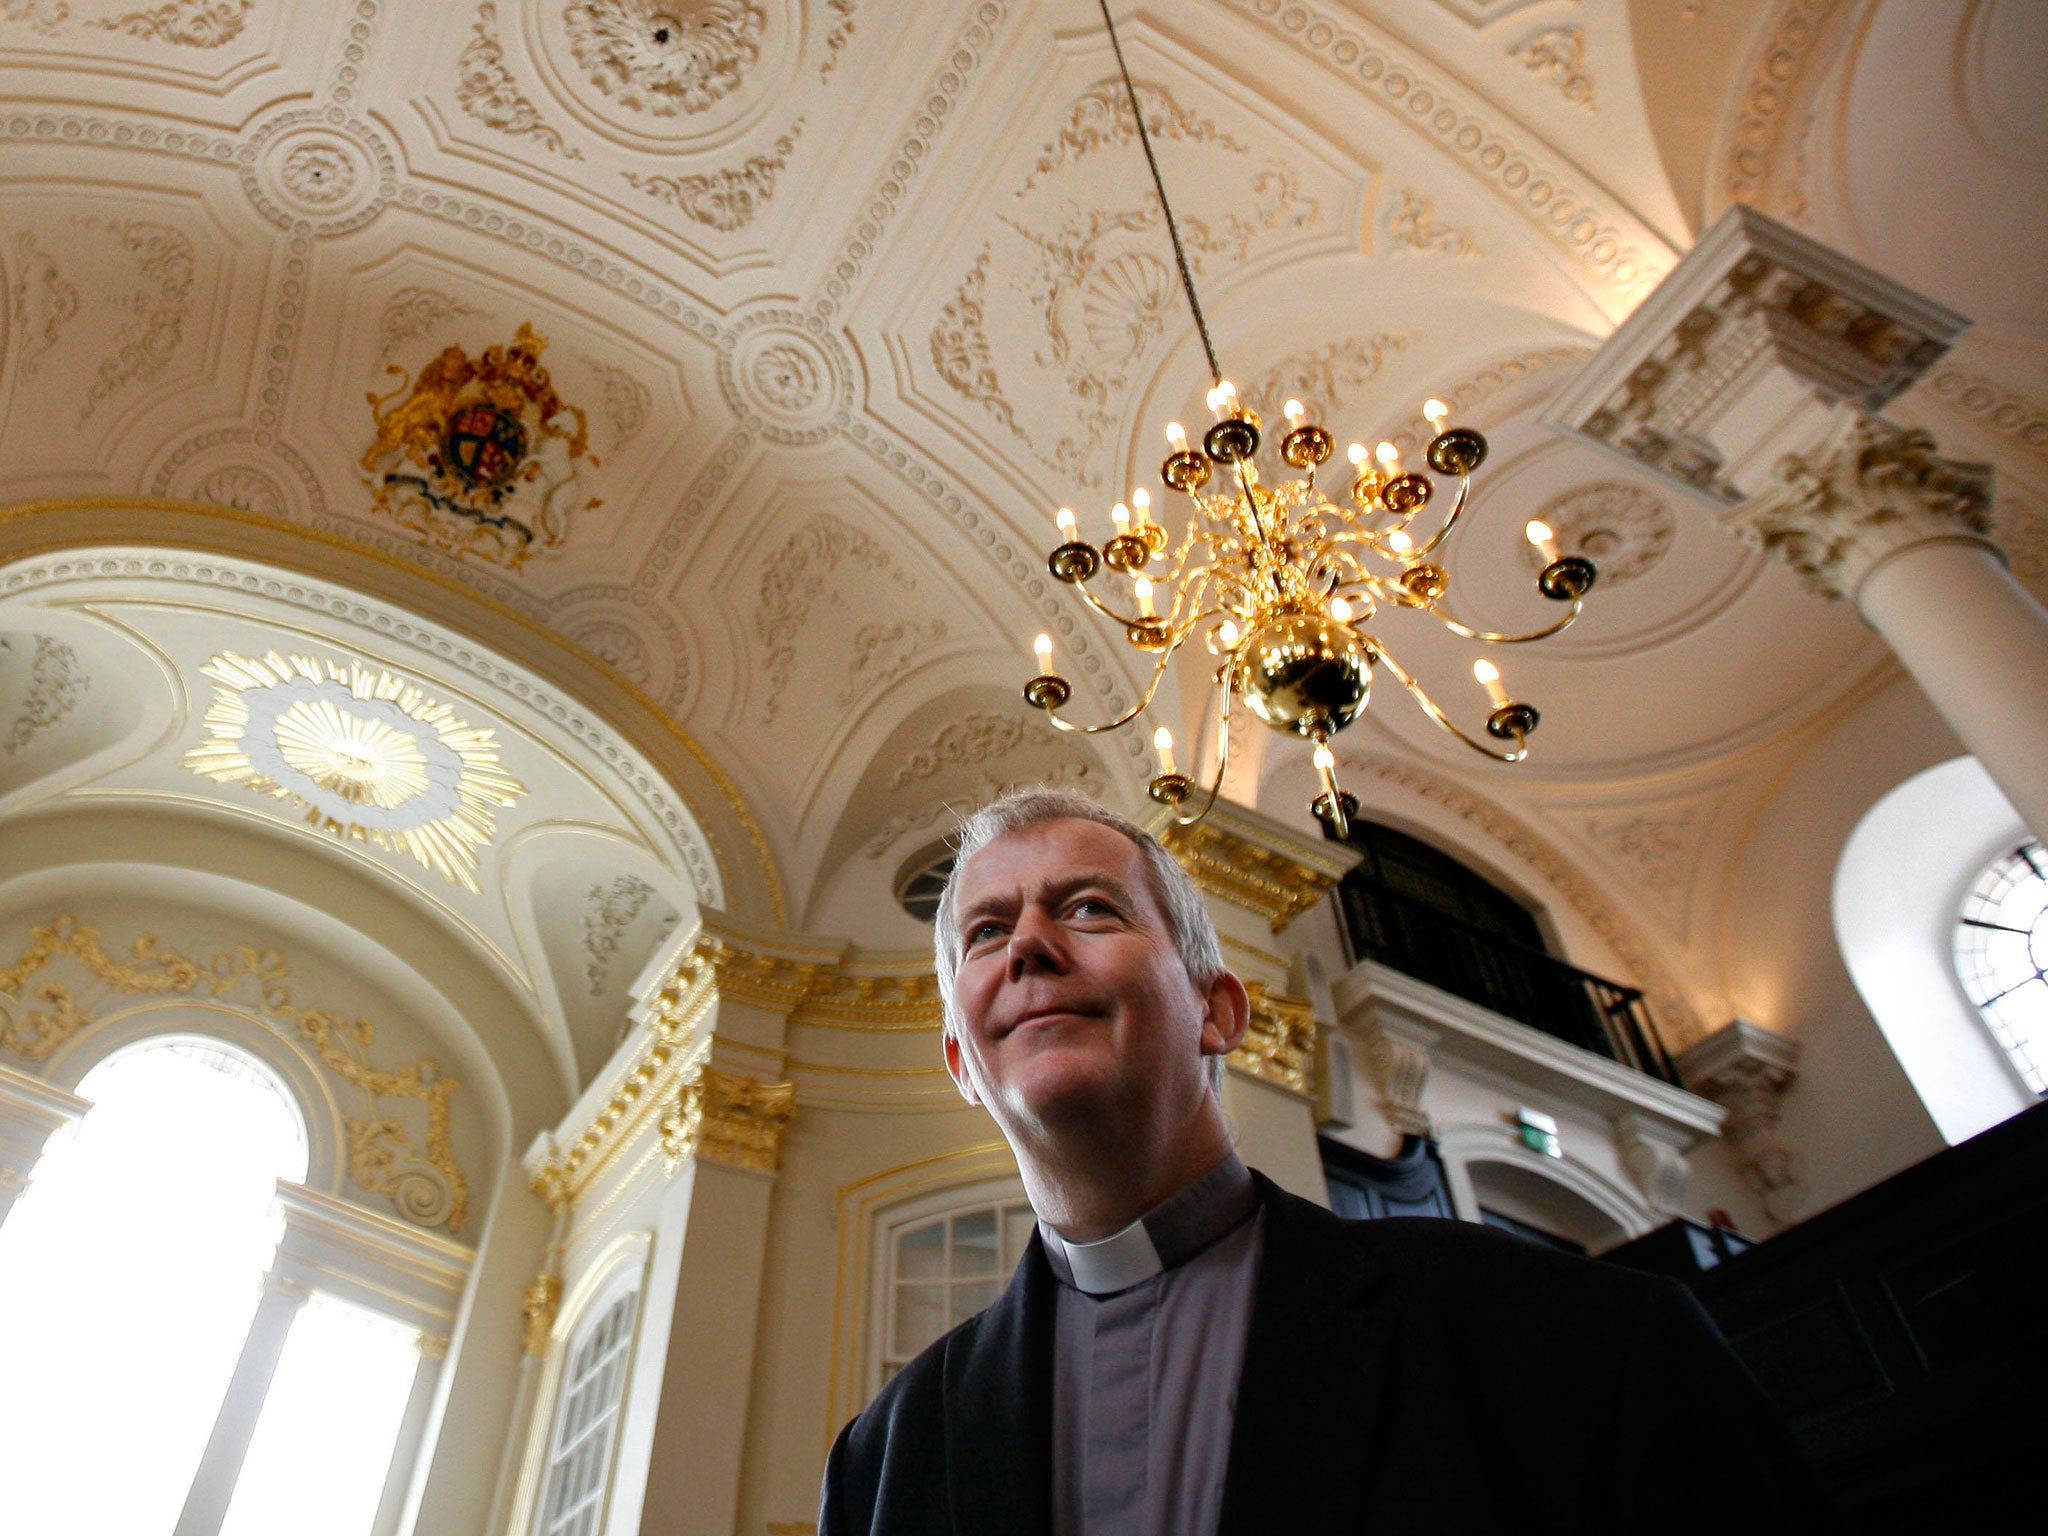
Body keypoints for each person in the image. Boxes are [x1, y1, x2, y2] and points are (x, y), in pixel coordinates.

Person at [818, 788, 1838, 1534]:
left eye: (1087, 908)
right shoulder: (881, 1461)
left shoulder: (1572, 1335)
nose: (1028, 947)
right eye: (987, 931)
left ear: (1218, 1010)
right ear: (961, 1059)